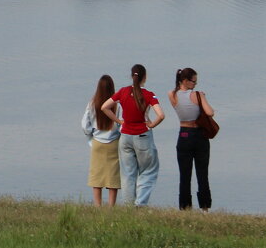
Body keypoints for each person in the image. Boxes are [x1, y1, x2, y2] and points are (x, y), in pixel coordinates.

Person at [101, 63, 164, 206]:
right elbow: (161, 115)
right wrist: (152, 124)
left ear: (131, 76)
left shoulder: (123, 92)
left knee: (128, 174)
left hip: (125, 137)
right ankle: (140, 204)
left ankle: (129, 206)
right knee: (148, 171)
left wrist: (119, 121)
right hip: (143, 136)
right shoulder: (148, 95)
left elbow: (104, 107)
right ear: (145, 77)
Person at [170, 67, 216, 211]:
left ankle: (185, 207)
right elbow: (210, 112)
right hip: (198, 135)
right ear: (185, 80)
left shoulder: (172, 94)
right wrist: (203, 97)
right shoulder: (197, 95)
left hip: (183, 134)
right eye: (193, 81)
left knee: (185, 175)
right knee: (202, 174)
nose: (195, 84)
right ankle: (205, 207)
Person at [81, 74, 121, 206]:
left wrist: (90, 136)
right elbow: (122, 124)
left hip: (97, 143)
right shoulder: (117, 104)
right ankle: (111, 207)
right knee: (113, 178)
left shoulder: (93, 103)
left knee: (97, 177)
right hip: (114, 143)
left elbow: (85, 125)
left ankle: (97, 206)